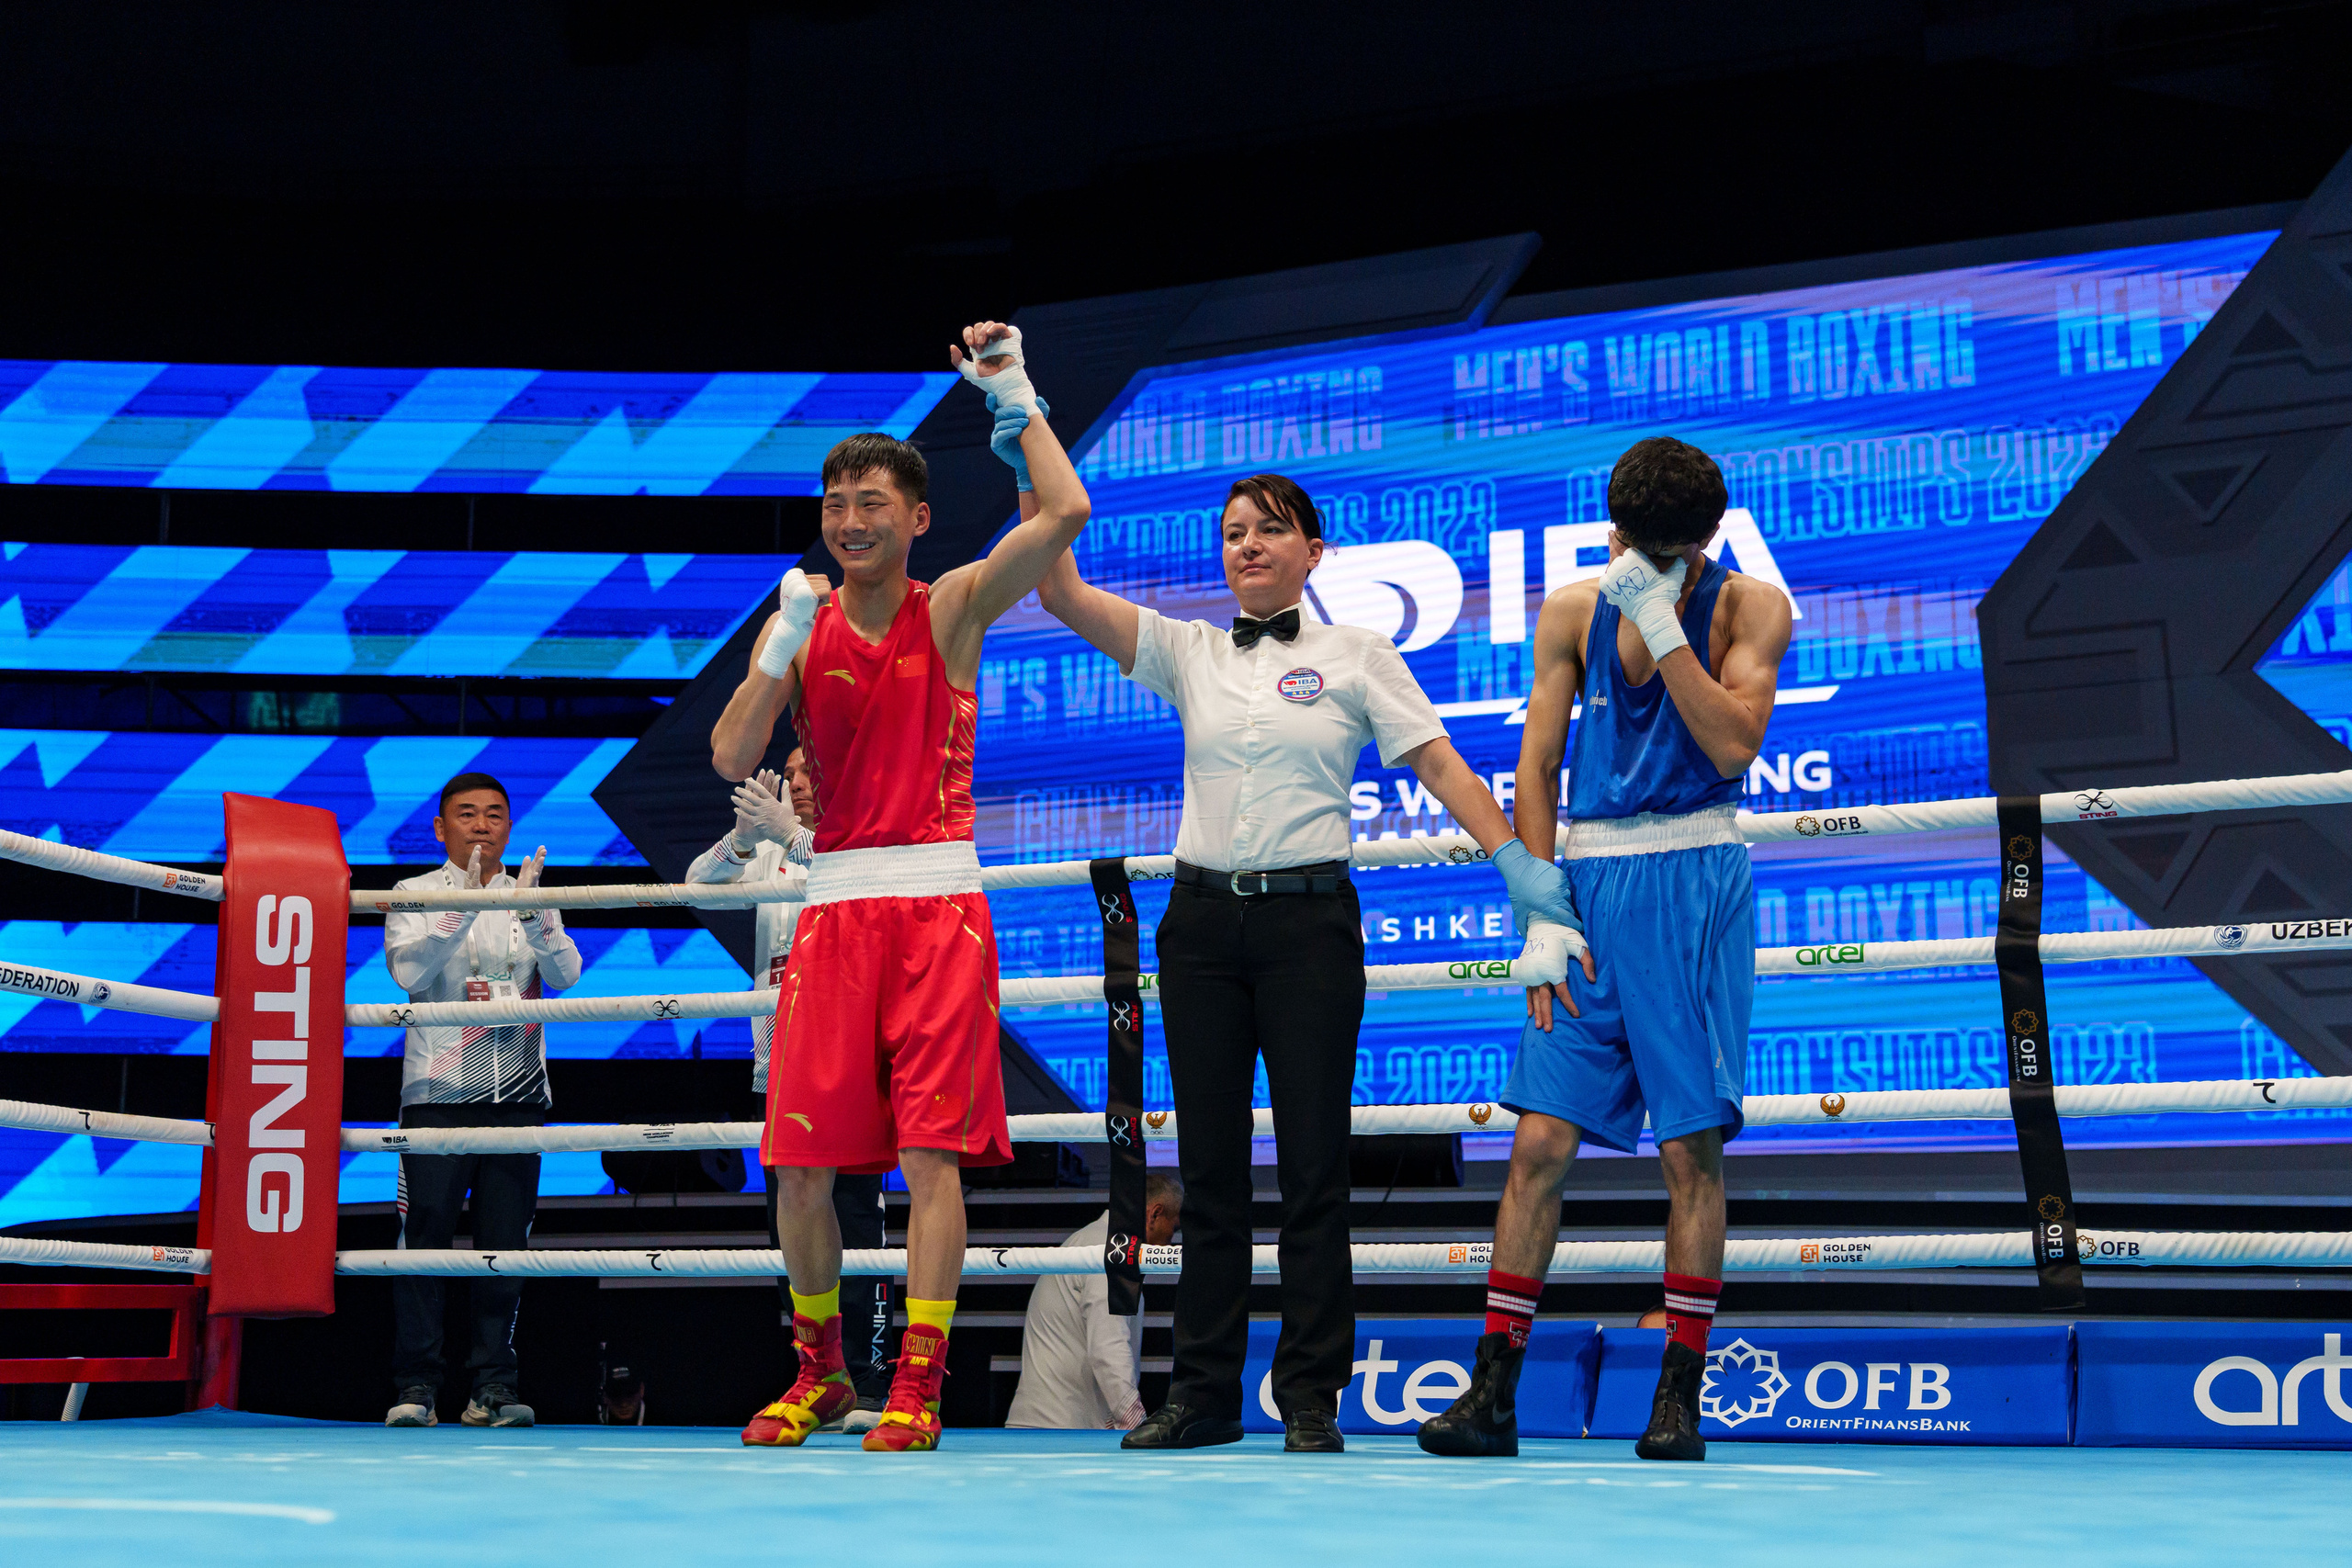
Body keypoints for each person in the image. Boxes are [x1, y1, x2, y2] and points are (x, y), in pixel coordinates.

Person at [1035, 472, 1581, 1455]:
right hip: (1198, 927)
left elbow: (1440, 763)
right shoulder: (1186, 650)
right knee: (1206, 1173)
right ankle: (1199, 1396)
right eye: (1232, 533)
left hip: (1308, 928)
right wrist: (1023, 430)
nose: (1246, 546)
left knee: (1314, 1169)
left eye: (1269, 531)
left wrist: (1514, 863)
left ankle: (1310, 1398)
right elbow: (1061, 591)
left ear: (1313, 551)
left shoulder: (1357, 653)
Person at [710, 320, 1091, 1452]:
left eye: (871, 502)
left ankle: (916, 1379)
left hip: (933, 903)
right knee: (802, 1162)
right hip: (831, 907)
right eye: (834, 504)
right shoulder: (801, 623)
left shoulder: (950, 607)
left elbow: (1063, 516)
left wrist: (1014, 390)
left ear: (915, 518)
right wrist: (776, 649)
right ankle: (818, 1371)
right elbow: (733, 758)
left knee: (930, 1157)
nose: (850, 520)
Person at [1417, 436, 1791, 1462]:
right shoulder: (1572, 608)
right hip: (1587, 884)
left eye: (1671, 556)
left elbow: (1730, 746)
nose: (1648, 566)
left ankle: (1678, 1397)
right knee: (1537, 1144)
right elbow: (1535, 766)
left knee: (1688, 1151)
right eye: (1639, 551)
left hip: (1690, 879)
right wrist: (1540, 903)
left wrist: (1666, 625)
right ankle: (1492, 1394)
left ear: (1705, 541)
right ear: (1613, 531)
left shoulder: (1754, 607)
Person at [687, 752, 893, 1434]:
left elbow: (861, 886)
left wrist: (794, 834)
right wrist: (748, 838)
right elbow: (697, 885)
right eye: (794, 771)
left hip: (850, 1062)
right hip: (777, 1067)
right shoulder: (769, 850)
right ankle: (818, 1373)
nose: (802, 780)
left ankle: (869, 1378)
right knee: (793, 1229)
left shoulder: (862, 836)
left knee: (857, 1224)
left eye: (814, 769)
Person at [381, 771, 582, 1429]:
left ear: (509, 826)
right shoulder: (411, 894)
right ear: (440, 827)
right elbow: (408, 972)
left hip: (518, 1093)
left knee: (504, 1243)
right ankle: (416, 1385)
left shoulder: (530, 893)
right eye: (466, 814)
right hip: (437, 1091)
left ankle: (492, 1386)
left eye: (494, 814)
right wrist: (466, 905)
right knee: (424, 1240)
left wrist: (529, 912)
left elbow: (567, 974)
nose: (481, 825)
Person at [1004, 1172, 1184, 1430]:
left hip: (1052, 1428)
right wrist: (1136, 1426)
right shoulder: (1108, 1250)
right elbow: (1108, 1347)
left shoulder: (1094, 1242)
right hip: (1056, 1433)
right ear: (1154, 1214)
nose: (1171, 1243)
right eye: (1174, 1229)